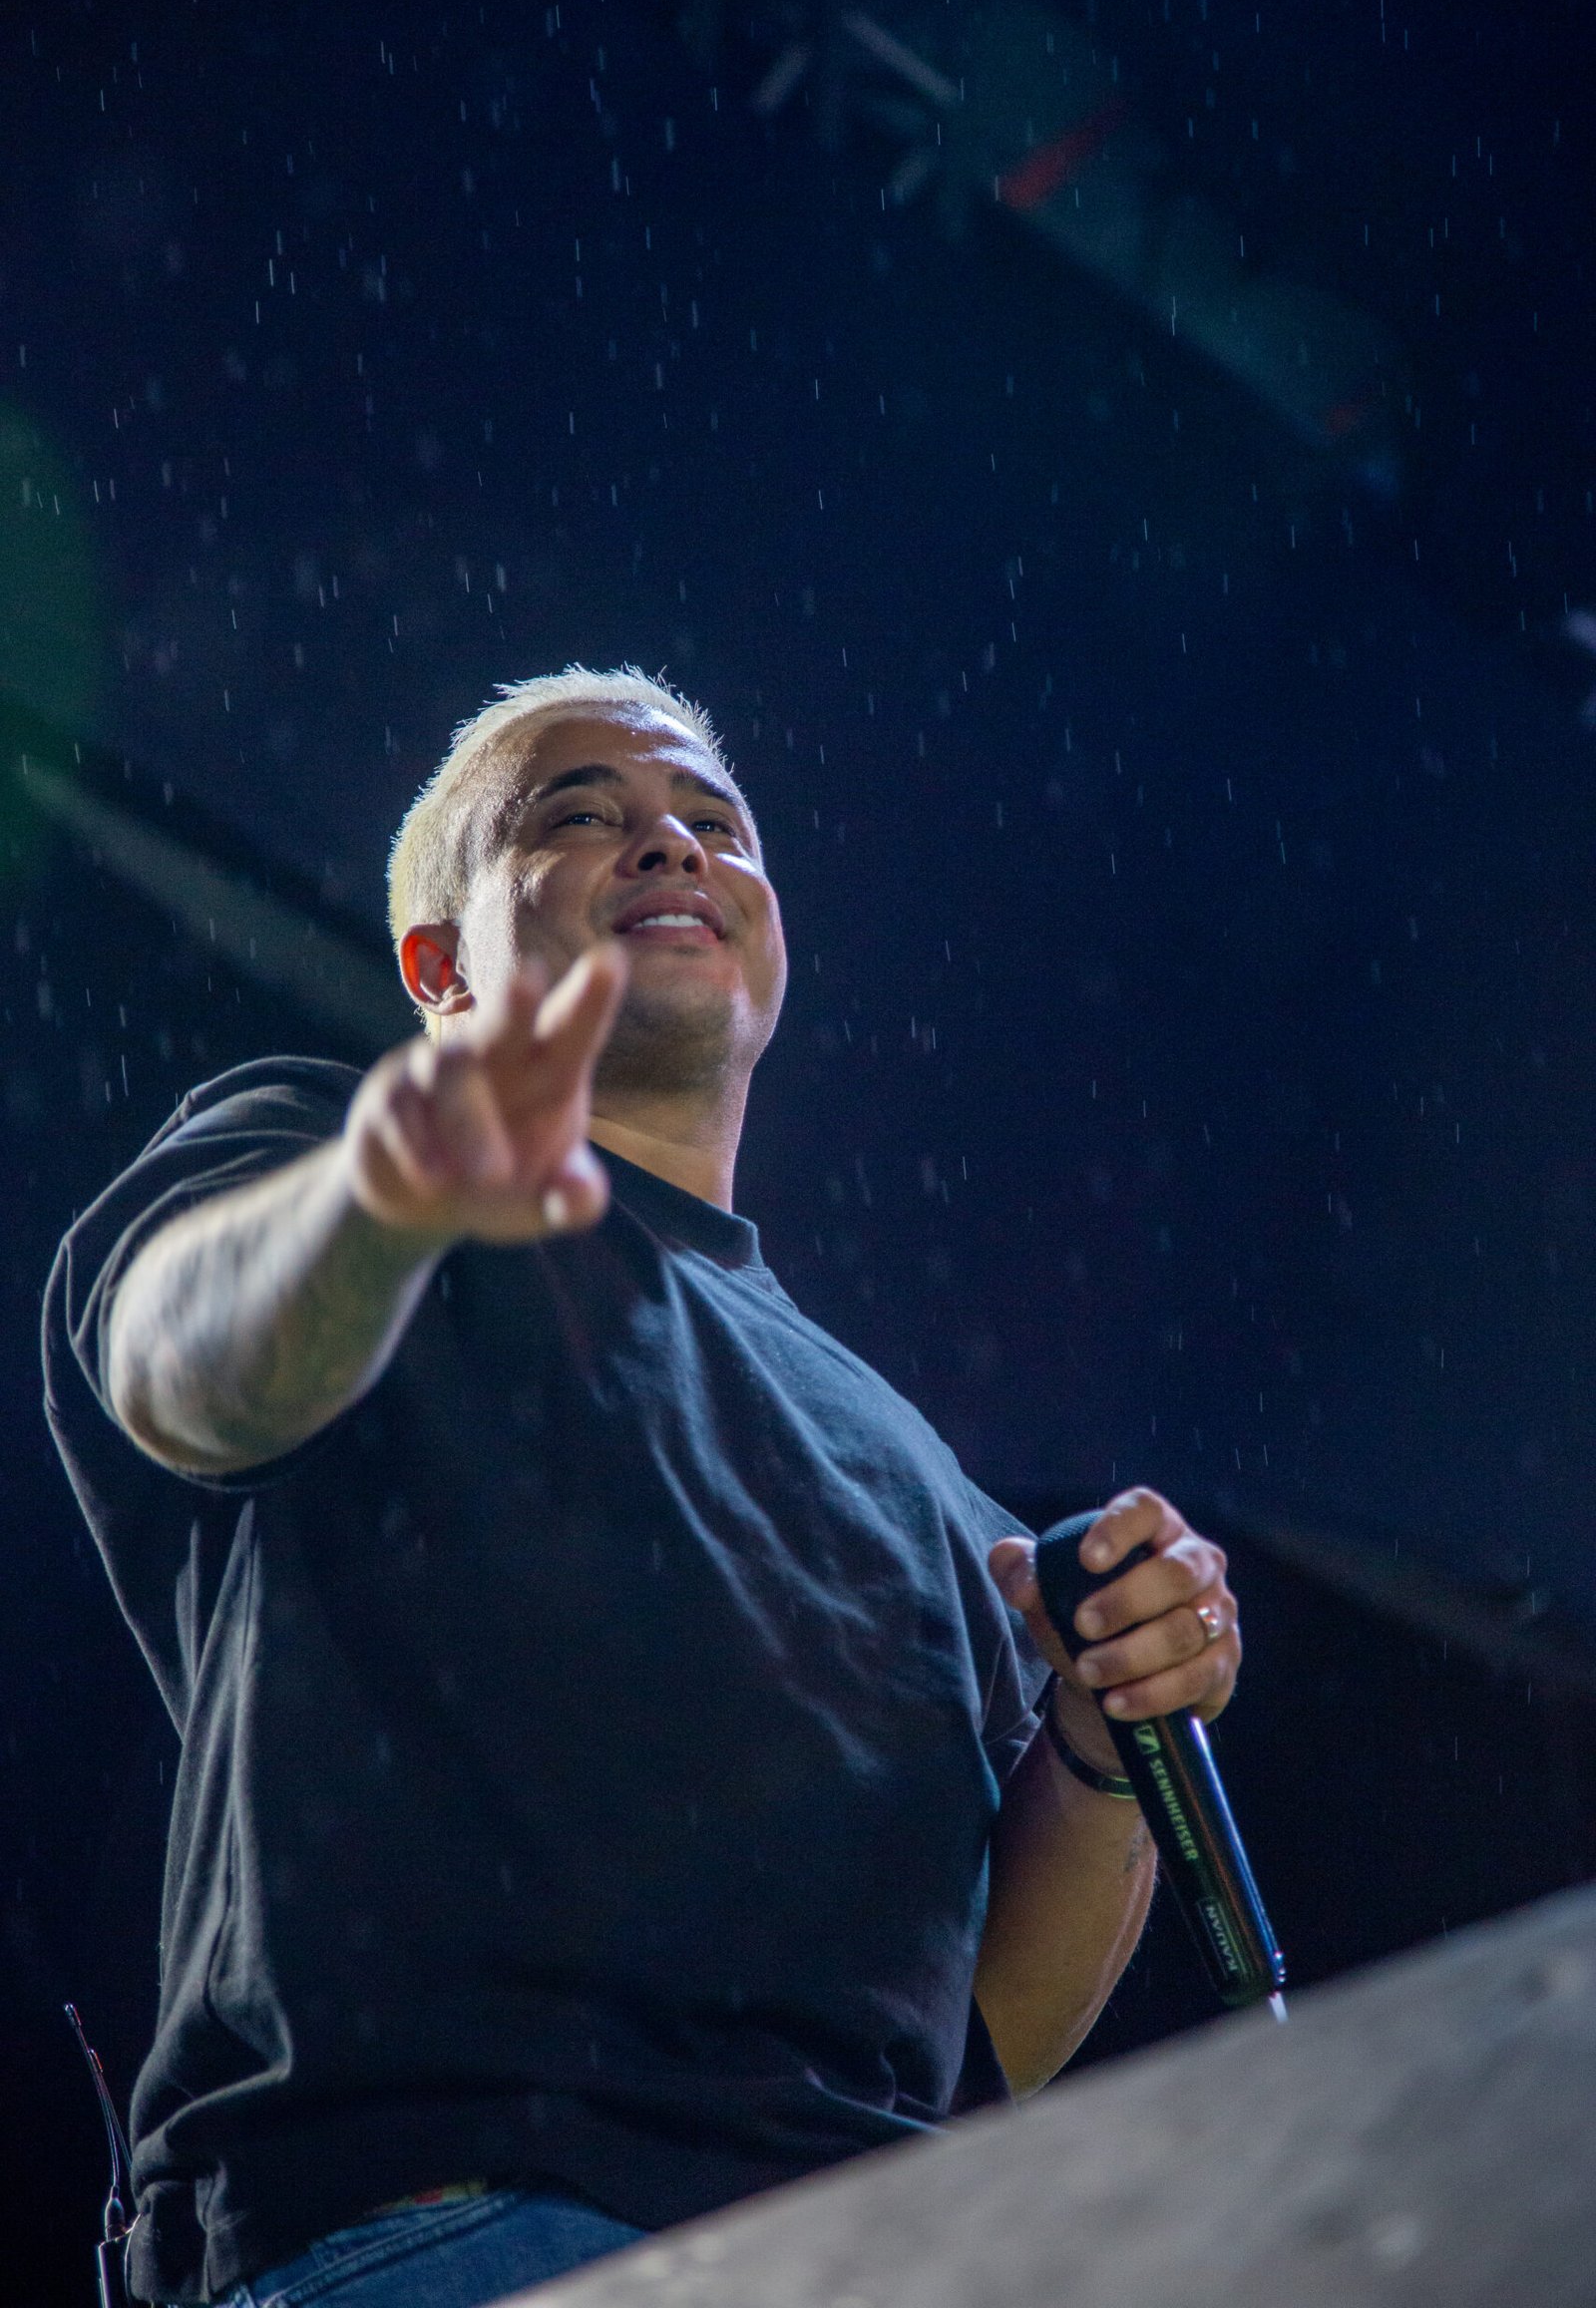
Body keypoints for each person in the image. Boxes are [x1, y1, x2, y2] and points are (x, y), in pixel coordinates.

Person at [44, 667, 1241, 2308]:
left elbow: (969, 2045)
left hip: (866, 2257)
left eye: (715, 824)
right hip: (450, 2229)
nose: (673, 845)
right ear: (441, 970)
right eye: (582, 813)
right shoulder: (316, 1170)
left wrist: (1107, 1745)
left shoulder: (935, 1484)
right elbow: (176, 1371)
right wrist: (389, 1196)